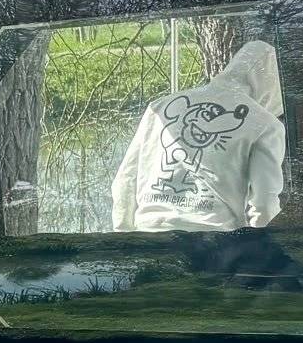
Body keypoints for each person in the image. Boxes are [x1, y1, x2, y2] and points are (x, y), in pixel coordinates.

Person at [111, 39, 286, 233]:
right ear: (275, 87)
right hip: (211, 249)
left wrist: (124, 241)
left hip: (148, 236)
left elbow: (125, 181)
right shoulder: (266, 125)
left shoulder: (159, 107)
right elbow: (264, 205)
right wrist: (264, 254)